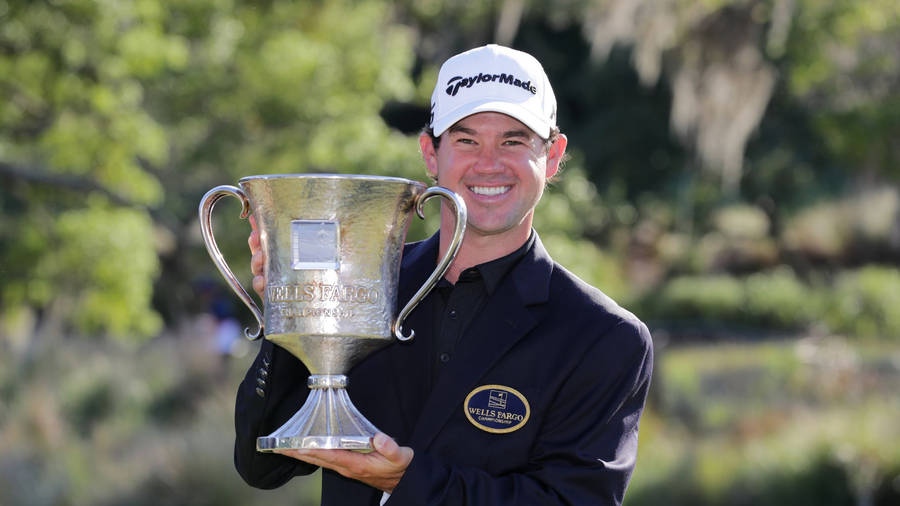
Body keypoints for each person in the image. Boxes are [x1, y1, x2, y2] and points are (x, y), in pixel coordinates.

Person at [234, 44, 653, 506]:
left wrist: (407, 482)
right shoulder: (362, 285)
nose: (489, 163)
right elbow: (262, 465)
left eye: (514, 141)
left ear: (552, 156)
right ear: (431, 154)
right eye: (466, 140)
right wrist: (291, 311)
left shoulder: (603, 337)